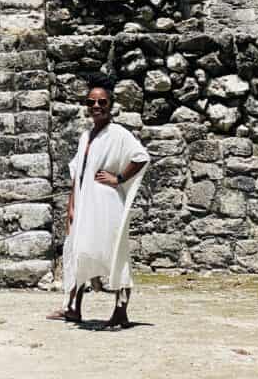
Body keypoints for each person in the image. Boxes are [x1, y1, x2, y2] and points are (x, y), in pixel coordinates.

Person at [47, 73, 150, 328]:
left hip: (107, 204)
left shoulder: (118, 134)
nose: (96, 107)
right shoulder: (86, 136)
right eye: (91, 102)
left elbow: (141, 157)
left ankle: (120, 312)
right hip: (85, 204)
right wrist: (71, 205)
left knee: (115, 254)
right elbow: (77, 173)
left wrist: (118, 178)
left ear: (110, 104)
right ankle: (73, 308)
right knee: (79, 250)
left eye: (101, 102)